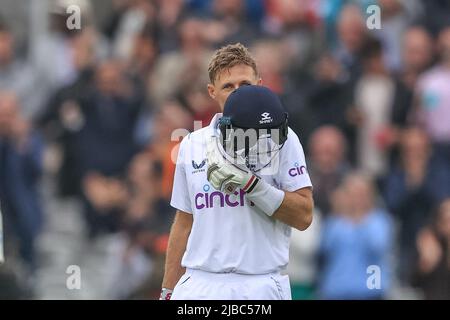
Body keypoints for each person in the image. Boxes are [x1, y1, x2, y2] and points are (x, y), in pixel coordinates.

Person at [161, 43, 314, 300]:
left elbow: (304, 216)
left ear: (260, 84)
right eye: (228, 87)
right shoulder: (192, 144)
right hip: (200, 283)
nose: (237, 93)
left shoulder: (283, 139)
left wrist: (252, 186)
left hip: (260, 283)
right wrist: (167, 290)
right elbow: (184, 223)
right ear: (212, 92)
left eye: (245, 85)